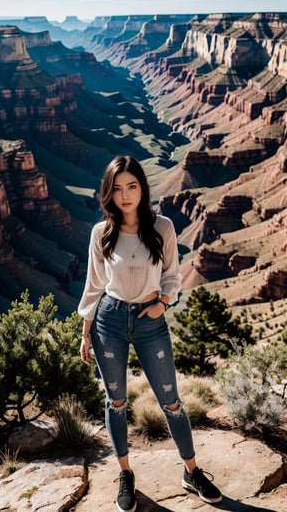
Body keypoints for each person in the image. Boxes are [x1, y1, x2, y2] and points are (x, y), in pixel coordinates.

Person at [78, 155, 222, 512]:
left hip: (150, 320)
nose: (125, 195)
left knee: (171, 402)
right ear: (107, 193)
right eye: (117, 188)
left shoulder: (163, 227)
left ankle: (191, 471)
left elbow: (173, 275)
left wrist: (164, 302)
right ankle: (125, 473)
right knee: (116, 401)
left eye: (132, 186)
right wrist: (85, 332)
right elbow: (94, 286)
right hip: (108, 321)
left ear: (142, 188)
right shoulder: (101, 234)